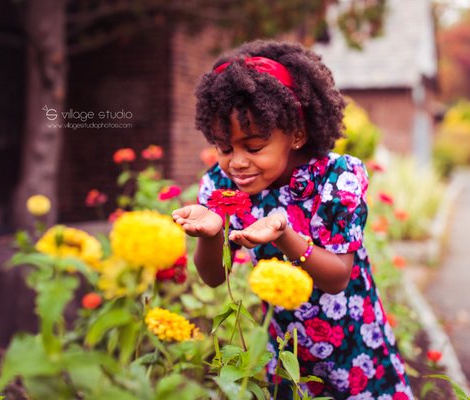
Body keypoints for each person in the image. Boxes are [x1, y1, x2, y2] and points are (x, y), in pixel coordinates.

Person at [172, 39, 413, 400]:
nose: (237, 161)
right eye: (225, 148)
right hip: (286, 348)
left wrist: (284, 235)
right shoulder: (224, 187)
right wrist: (212, 234)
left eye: (253, 148)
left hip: (354, 345)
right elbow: (212, 277)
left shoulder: (335, 179)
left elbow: (337, 278)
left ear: (297, 133)